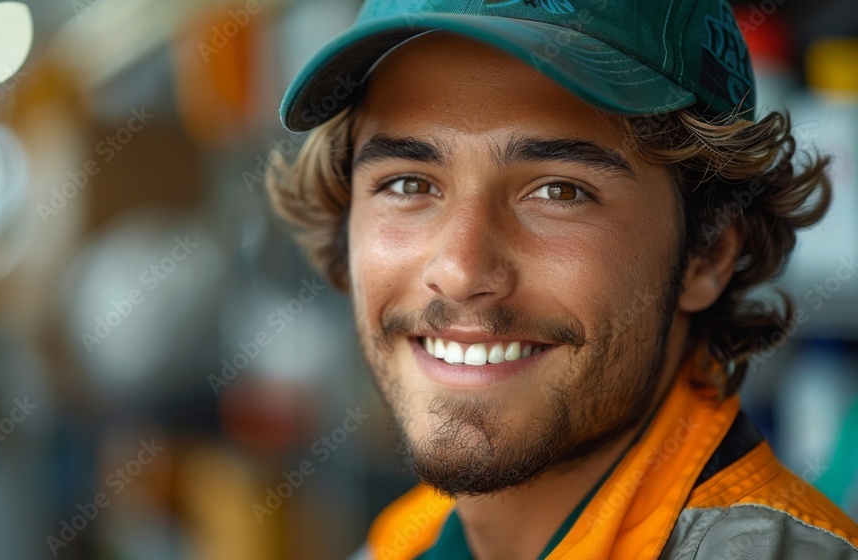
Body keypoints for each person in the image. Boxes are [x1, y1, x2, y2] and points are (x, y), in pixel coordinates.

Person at [265, 0, 858, 558]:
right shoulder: (407, 540)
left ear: (708, 253)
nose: (461, 271)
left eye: (558, 191)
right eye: (408, 184)